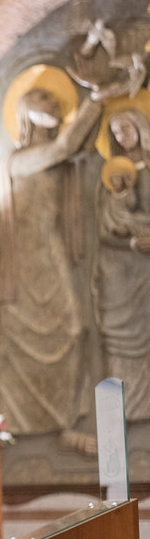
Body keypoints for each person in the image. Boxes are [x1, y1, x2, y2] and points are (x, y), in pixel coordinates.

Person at [0, 87, 102, 444]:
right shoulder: (19, 160)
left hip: (50, 253)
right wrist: (97, 99)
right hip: (24, 260)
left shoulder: (57, 161)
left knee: (73, 329)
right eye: (45, 102)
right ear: (26, 114)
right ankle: (13, 420)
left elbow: (70, 153)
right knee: (17, 340)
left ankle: (64, 421)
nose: (54, 107)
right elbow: (64, 148)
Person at [93, 155, 150, 419]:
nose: (117, 183)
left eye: (121, 179)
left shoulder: (132, 198)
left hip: (140, 274)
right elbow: (105, 231)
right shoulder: (105, 202)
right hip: (114, 274)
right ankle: (121, 411)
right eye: (112, 179)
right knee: (117, 339)